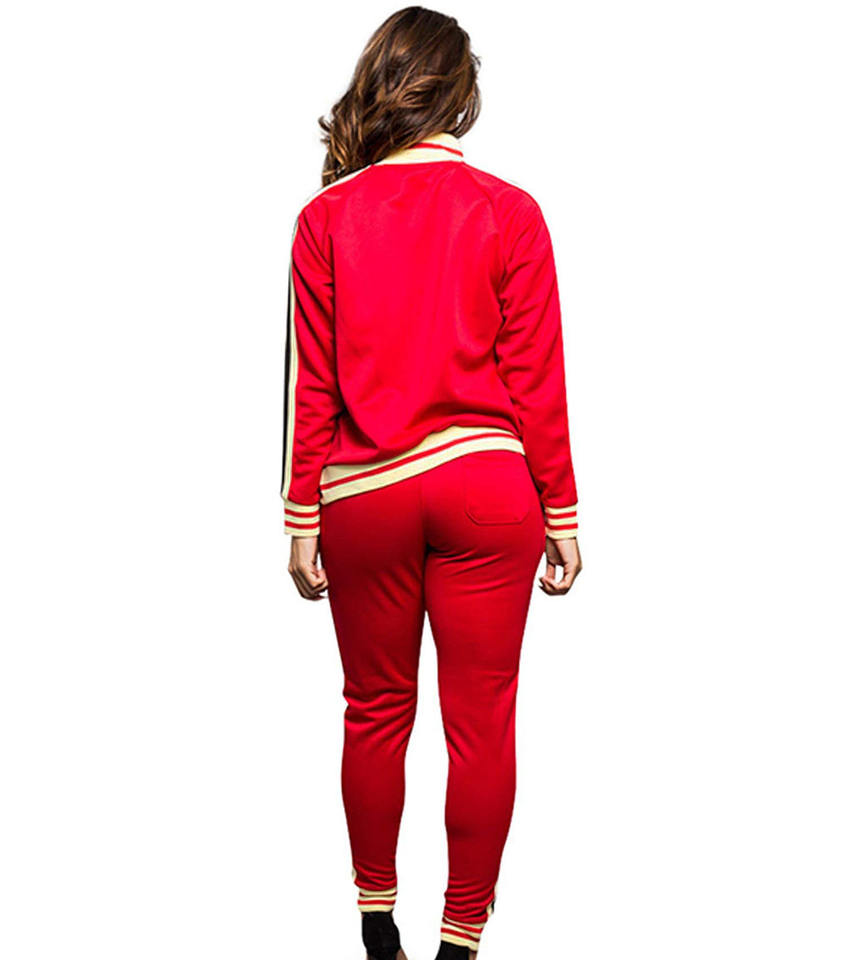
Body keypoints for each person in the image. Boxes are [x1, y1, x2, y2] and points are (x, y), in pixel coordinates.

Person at [280, 7, 582, 958]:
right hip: (486, 488)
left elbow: (311, 384)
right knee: (480, 722)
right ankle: (459, 942)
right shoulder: (510, 212)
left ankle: (377, 929)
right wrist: (563, 511)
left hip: (363, 494)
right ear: (461, 95)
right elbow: (536, 378)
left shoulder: (324, 219)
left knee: (373, 712)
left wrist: (299, 515)